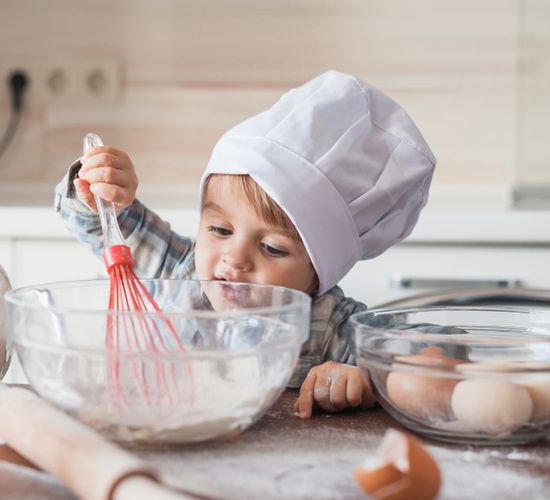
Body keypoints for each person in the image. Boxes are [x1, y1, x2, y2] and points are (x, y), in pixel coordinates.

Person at [54, 70, 436, 418]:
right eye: (220, 230)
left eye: (272, 248)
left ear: (321, 271)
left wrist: (361, 379)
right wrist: (96, 189)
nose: (235, 258)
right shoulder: (177, 271)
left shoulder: (331, 327)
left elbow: (432, 357)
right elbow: (91, 221)